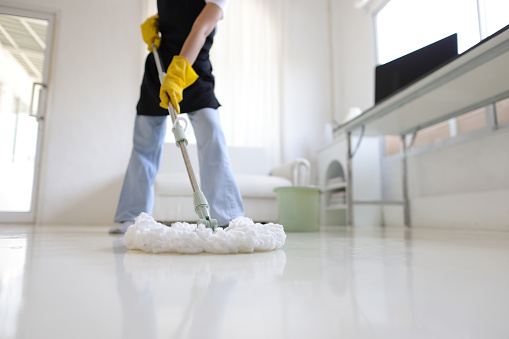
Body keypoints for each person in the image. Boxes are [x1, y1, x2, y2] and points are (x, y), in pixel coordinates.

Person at [109, 0, 244, 234]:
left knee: (211, 131)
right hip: (159, 67)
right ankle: (133, 217)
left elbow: (200, 29)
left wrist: (179, 73)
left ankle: (226, 216)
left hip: (191, 69)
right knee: (144, 141)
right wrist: (158, 24)